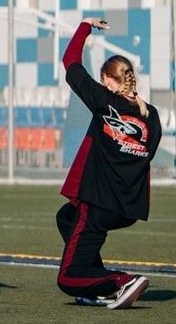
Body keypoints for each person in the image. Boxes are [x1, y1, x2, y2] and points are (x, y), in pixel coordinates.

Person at [54, 18, 160, 309]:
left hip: (99, 203)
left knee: (67, 277)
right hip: (127, 208)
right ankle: (97, 285)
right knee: (66, 217)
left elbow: (71, 62)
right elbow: (146, 155)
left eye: (104, 81)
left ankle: (121, 281)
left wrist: (85, 26)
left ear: (110, 81)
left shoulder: (105, 101)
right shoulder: (152, 115)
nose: (103, 85)